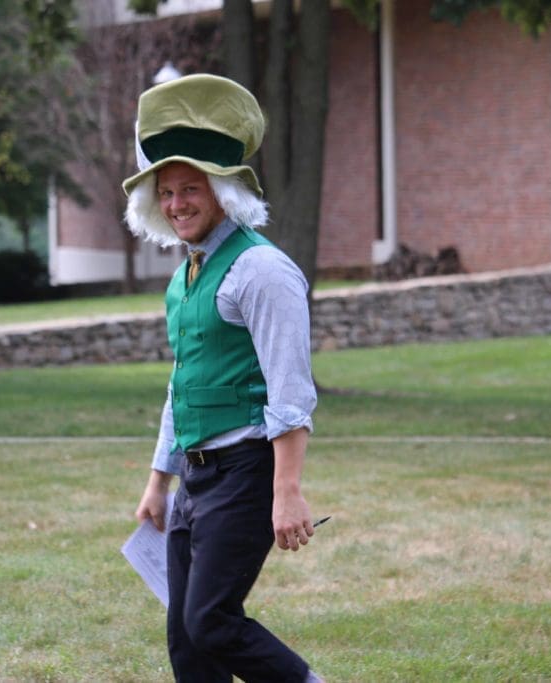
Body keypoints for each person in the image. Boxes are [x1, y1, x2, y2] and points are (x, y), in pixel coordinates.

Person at [124, 74, 324, 683]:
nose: (176, 204)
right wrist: (159, 480)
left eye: (190, 188)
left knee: (211, 622)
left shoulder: (261, 270)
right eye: (166, 191)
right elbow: (182, 384)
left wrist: (287, 491)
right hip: (196, 477)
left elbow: (291, 390)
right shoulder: (184, 277)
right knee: (188, 642)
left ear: (223, 190)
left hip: (244, 472)